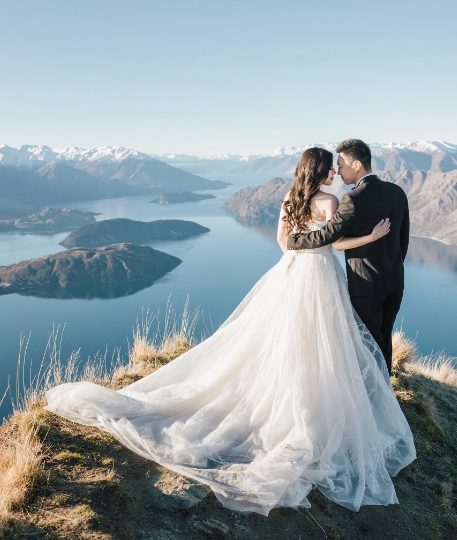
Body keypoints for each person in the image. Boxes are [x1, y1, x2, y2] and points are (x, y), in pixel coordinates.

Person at [45, 147, 416, 516]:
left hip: (290, 275)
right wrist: (370, 238)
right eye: (330, 169)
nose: (336, 172)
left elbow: (283, 243)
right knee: (320, 340)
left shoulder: (291, 197)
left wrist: (300, 254)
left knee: (281, 337)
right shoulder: (330, 203)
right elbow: (333, 243)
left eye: (339, 167)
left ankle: (287, 390)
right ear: (320, 173)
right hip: (320, 277)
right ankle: (314, 399)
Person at [288, 139, 409, 374]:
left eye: (341, 165)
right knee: (385, 338)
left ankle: (375, 397)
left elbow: (328, 235)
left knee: (369, 343)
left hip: (365, 285)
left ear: (356, 165)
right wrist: (393, 268)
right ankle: (386, 389)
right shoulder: (397, 193)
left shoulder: (353, 199)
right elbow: (402, 241)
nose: (338, 172)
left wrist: (294, 241)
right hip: (395, 283)